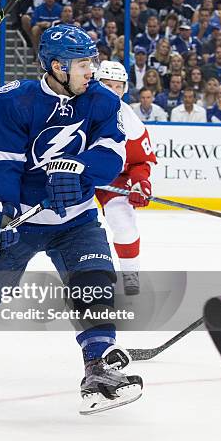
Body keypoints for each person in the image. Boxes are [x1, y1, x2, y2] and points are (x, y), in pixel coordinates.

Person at [0, 24, 143, 414]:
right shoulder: (16, 100)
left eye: (92, 61)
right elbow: (1, 161)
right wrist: (0, 208)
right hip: (23, 217)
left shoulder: (103, 101)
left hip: (77, 219)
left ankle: (98, 364)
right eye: (84, 63)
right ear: (57, 66)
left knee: (95, 283)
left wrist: (80, 170)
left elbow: (112, 155)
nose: (93, 70)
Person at [94, 61, 157, 295]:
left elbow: (141, 161)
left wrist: (141, 182)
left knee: (125, 224)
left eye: (118, 86)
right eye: (107, 85)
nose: (113, 91)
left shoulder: (130, 121)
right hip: (77, 177)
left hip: (113, 179)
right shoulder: (75, 108)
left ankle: (130, 273)